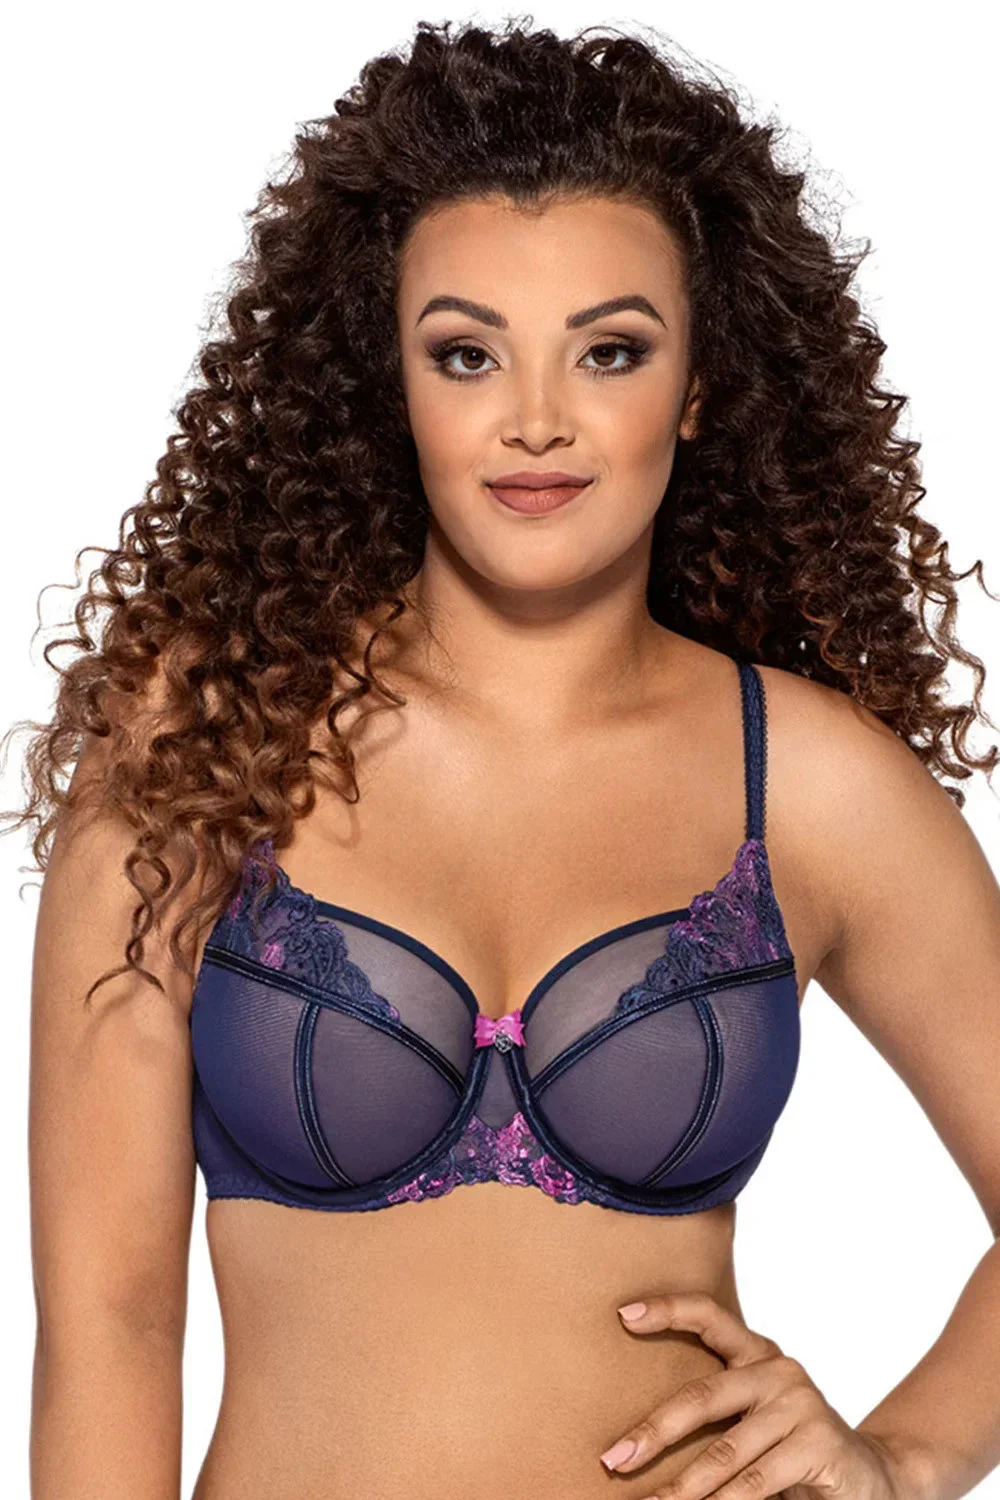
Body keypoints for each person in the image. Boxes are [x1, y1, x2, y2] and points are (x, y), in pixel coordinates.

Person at [13, 17, 1000, 1500]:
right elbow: (110, 1324)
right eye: (467, 354)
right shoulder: (208, 742)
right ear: (392, 380)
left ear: (698, 386)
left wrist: (909, 1460)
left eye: (611, 351)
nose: (536, 421)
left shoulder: (807, 782)